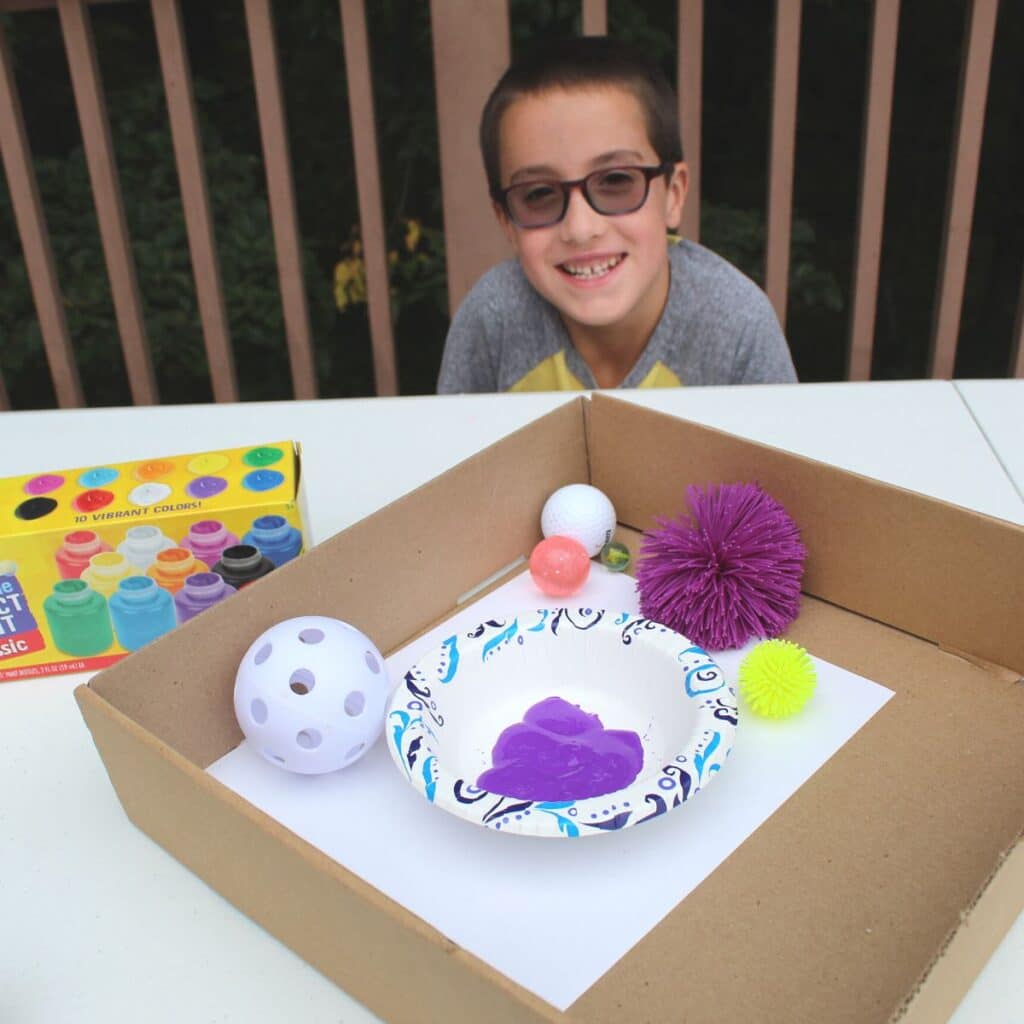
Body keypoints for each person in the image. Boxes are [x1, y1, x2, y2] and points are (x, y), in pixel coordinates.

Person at [437, 36, 797, 393]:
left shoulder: (738, 328)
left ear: (673, 193)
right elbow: (450, 449)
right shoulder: (491, 319)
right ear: (506, 221)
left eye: (615, 180)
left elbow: (779, 449)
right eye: (539, 193)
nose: (580, 228)